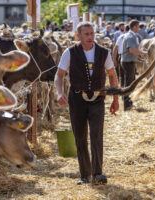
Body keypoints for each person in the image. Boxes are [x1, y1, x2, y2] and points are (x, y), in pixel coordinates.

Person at [54, 22, 119, 185]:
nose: (90, 37)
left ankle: (98, 173)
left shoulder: (104, 53)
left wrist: (116, 99)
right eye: (86, 34)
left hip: (98, 98)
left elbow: (112, 75)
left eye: (92, 33)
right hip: (76, 99)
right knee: (80, 137)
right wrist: (60, 92)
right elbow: (59, 75)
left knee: (96, 135)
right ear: (79, 36)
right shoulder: (69, 53)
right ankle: (85, 175)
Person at [121, 20, 147, 111]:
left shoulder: (131, 36)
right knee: (129, 83)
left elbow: (133, 51)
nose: (139, 28)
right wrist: (143, 52)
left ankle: (128, 102)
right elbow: (131, 50)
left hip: (129, 61)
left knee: (130, 82)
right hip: (128, 62)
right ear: (134, 27)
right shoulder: (130, 36)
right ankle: (126, 104)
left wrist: (139, 55)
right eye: (138, 26)